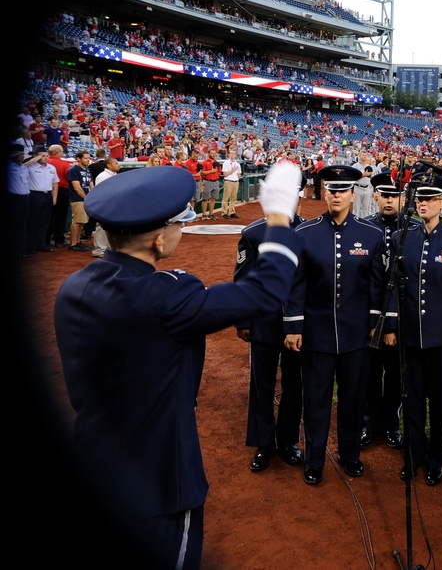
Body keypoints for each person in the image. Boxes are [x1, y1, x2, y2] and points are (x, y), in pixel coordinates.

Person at [53, 162, 302, 570]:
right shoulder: (167, 297)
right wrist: (277, 217)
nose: (181, 230)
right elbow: (265, 291)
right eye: (177, 224)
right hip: (158, 475)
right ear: (157, 239)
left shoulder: (74, 287)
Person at [283, 165, 388, 485]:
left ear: (354, 194)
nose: (337, 195)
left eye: (343, 190)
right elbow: (295, 284)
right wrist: (293, 326)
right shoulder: (304, 234)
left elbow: (377, 287)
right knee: (316, 400)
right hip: (317, 334)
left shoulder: (372, 235)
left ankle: (350, 454)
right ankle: (314, 460)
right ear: (324, 193)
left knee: (353, 399)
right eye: (332, 190)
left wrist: (374, 325)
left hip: (357, 335)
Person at [384, 173, 442, 486]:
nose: (423, 203)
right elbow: (392, 284)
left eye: (431, 199)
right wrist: (391, 323)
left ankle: (437, 458)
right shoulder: (403, 236)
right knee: (413, 399)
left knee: (439, 400)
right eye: (420, 198)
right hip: (409, 333)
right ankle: (414, 455)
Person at [234, 203, 306, 474]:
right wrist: (242, 319)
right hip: (263, 323)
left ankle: (287, 441)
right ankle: (264, 443)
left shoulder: (309, 230)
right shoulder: (253, 233)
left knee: (294, 384)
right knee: (261, 385)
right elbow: (243, 279)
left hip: (298, 324)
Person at [360, 171, 418, 449]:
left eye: (395, 196)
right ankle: (371, 422)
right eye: (384, 195)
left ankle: (391, 423)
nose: (389, 200)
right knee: (370, 373)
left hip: (403, 315)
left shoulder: (414, 228)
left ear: (402, 198)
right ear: (375, 196)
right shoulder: (363, 227)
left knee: (396, 375)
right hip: (369, 313)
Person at [26, 145, 58, 254]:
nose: (45, 158)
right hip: (34, 195)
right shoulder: (30, 167)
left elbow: (55, 183)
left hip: (48, 195)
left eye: (47, 156)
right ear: (36, 156)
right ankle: (32, 245)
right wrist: (34, 159)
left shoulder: (51, 168)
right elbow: (22, 165)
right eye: (42, 156)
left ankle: (42, 243)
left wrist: (54, 197)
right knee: (33, 221)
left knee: (45, 222)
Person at [90, 157, 121, 257]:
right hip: (105, 204)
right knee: (102, 227)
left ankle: (108, 248)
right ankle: (99, 250)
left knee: (110, 228)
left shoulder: (114, 175)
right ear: (108, 165)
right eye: (115, 163)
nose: (118, 165)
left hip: (113, 204)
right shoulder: (103, 176)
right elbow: (100, 192)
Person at [66, 149, 93, 251]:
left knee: (81, 222)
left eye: (89, 158)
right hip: (78, 199)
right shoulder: (74, 170)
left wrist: (92, 196)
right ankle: (73, 244)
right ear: (78, 159)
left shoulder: (88, 170)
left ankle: (78, 242)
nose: (88, 160)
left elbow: (91, 184)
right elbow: (77, 187)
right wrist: (86, 197)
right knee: (77, 221)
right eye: (85, 158)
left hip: (86, 199)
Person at [47, 144, 72, 248]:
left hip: (47, 190)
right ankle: (59, 239)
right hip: (62, 190)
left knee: (47, 216)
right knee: (60, 217)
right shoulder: (65, 164)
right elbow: (69, 178)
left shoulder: (45, 162)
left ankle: (46, 239)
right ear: (58, 152)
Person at [220, 145, 242, 218]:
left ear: (236, 155)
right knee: (226, 198)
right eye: (231, 153)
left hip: (235, 182)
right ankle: (224, 212)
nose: (232, 155)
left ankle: (231, 212)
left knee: (233, 198)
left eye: (233, 153)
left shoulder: (238, 164)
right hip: (228, 181)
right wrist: (232, 171)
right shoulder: (226, 163)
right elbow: (225, 174)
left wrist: (236, 176)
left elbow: (239, 174)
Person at [198, 150, 221, 219]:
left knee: (213, 198)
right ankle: (204, 214)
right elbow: (202, 173)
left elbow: (219, 172)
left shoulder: (216, 162)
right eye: (212, 153)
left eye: (214, 153)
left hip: (215, 181)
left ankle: (211, 214)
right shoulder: (204, 162)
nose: (213, 155)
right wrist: (211, 171)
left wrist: (215, 175)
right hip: (207, 181)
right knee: (205, 199)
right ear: (208, 154)